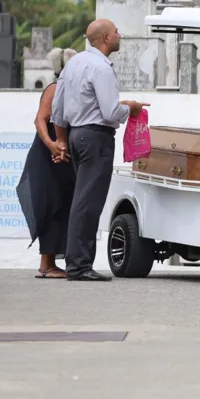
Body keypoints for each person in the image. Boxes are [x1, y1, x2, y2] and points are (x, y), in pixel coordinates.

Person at [52, 21, 148, 281]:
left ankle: (77, 261)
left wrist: (61, 140)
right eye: (116, 31)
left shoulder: (73, 63)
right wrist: (132, 107)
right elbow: (111, 112)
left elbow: (57, 110)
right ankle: (79, 265)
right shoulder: (101, 68)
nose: (120, 35)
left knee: (81, 200)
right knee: (88, 203)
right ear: (106, 37)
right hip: (96, 137)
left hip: (75, 135)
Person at [24, 48, 78, 278]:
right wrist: (52, 145)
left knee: (62, 204)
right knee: (51, 205)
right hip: (47, 157)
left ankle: (51, 262)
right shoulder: (55, 89)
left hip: (62, 156)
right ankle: (46, 265)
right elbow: (40, 119)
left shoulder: (72, 92)